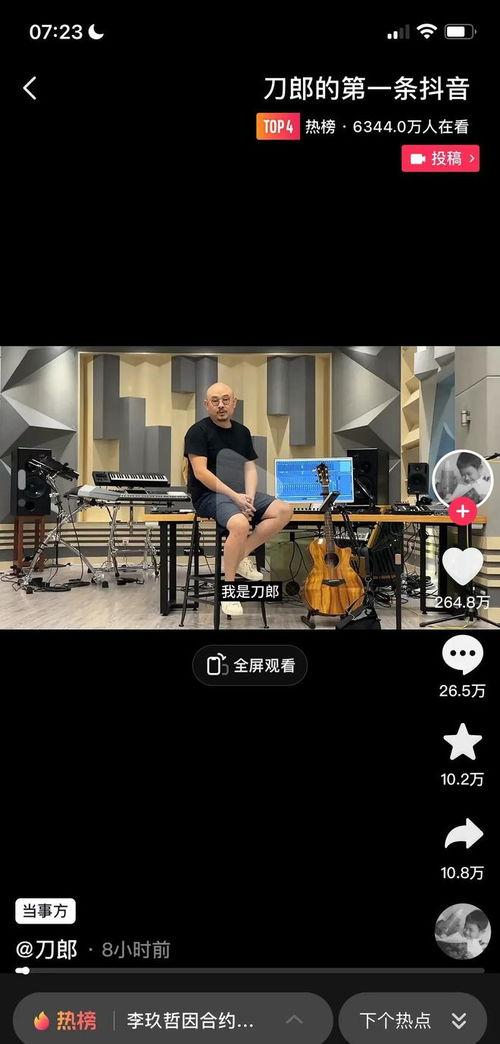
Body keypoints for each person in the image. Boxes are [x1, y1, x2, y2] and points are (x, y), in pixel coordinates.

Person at [184, 383, 293, 616]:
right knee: (240, 524)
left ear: (234, 403)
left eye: (226, 399)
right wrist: (235, 497)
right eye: (215, 401)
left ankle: (241, 555)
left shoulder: (242, 432)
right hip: (209, 495)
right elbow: (201, 473)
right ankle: (230, 590)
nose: (221, 405)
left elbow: (250, 468)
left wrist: (249, 497)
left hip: (241, 494)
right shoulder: (197, 432)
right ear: (206, 405)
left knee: (284, 510)